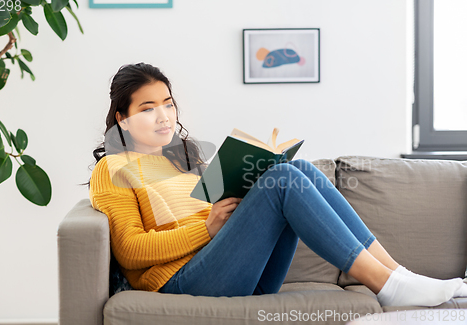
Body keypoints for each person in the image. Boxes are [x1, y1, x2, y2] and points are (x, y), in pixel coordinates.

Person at [87, 62, 467, 307]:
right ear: (122, 119)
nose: (163, 115)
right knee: (284, 179)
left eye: (168, 103)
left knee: (300, 169)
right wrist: (207, 228)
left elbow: (220, 214)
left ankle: (399, 275)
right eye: (147, 108)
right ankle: (388, 287)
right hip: (180, 282)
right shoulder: (114, 168)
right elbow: (131, 251)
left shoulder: (188, 158)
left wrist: (241, 196)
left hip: (236, 271)